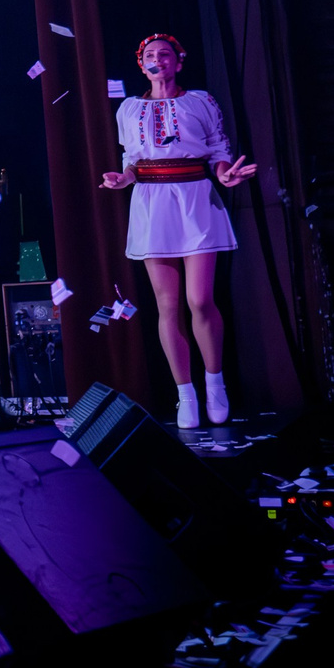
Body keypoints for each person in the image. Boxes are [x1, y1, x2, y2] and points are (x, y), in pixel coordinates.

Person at [99, 35, 255, 429]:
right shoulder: (129, 108)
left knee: (200, 299)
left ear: (178, 62)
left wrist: (227, 175)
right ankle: (185, 394)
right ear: (141, 65)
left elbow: (219, 150)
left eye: (165, 55)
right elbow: (131, 158)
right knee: (168, 305)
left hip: (195, 199)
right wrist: (123, 179)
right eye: (150, 56)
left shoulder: (200, 101)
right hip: (152, 202)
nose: (157, 60)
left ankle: (215, 383)